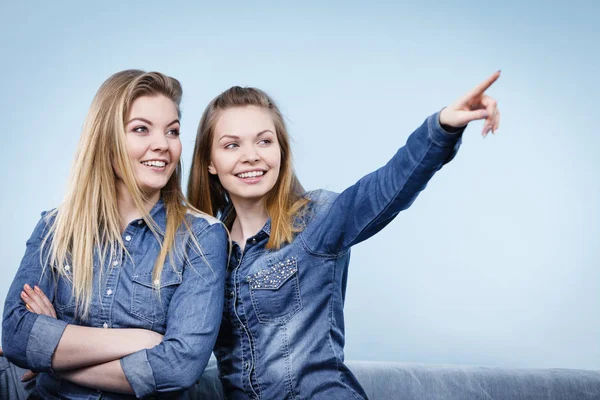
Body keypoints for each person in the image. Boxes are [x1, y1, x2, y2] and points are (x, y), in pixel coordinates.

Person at [186, 72, 501, 399]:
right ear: (210, 162)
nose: (250, 155)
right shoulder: (206, 249)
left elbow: (382, 190)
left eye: (264, 141)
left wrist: (442, 127)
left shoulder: (314, 220)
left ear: (280, 150)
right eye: (232, 145)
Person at [1, 70, 228, 399]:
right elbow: (16, 336)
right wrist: (142, 340)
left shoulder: (201, 237)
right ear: (106, 139)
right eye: (141, 129)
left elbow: (179, 367)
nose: (162, 145)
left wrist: (56, 356)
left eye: (173, 131)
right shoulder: (55, 227)